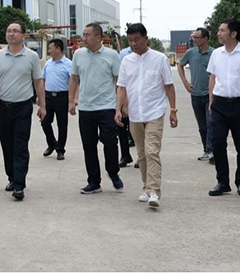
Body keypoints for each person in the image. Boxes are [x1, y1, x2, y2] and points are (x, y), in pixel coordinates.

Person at [115, 23, 178, 208]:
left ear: (146, 38)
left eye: (137, 39)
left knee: (152, 151)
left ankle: (154, 191)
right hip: (135, 114)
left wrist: (173, 110)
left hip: (154, 112)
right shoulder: (126, 61)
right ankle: (146, 187)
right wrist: (118, 109)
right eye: (130, 40)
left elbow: (169, 86)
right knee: (141, 154)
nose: (133, 44)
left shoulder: (159, 59)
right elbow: (121, 87)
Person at [0, 21, 46, 201]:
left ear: (23, 36)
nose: (11, 34)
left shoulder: (31, 57)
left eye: (15, 31)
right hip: (3, 107)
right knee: (7, 145)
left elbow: (38, 82)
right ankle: (12, 177)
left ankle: (19, 184)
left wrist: (42, 106)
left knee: (20, 146)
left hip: (23, 108)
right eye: (9, 31)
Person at [206, 18, 240, 197]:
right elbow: (213, 77)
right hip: (220, 104)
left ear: (233, 33)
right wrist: (211, 99)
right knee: (218, 143)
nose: (218, 33)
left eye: (222, 30)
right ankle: (222, 182)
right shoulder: (216, 54)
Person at [68, 22, 124, 194]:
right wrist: (71, 101)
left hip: (107, 106)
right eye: (83, 35)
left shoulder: (112, 55)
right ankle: (94, 182)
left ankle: (113, 172)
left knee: (110, 142)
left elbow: (119, 81)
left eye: (87, 35)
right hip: (86, 107)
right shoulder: (78, 54)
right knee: (89, 146)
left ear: (98, 37)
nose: (83, 38)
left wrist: (120, 107)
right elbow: (74, 78)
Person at [177, 28, 215, 162]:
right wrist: (185, 82)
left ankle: (211, 151)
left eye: (197, 37)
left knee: (210, 123)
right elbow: (180, 65)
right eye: (194, 37)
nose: (195, 40)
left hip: (211, 95)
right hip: (196, 94)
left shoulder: (214, 53)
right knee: (202, 126)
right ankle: (206, 149)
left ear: (206, 38)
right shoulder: (191, 53)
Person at [41, 38, 72, 160]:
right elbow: (42, 80)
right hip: (48, 96)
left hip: (62, 97)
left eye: (50, 48)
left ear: (58, 49)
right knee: (45, 122)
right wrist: (40, 96)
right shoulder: (48, 63)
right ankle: (52, 143)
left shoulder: (68, 64)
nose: (49, 51)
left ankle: (60, 149)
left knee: (62, 125)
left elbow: (73, 82)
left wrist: (73, 99)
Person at [117, 45, 135, 168]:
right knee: (122, 127)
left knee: (139, 129)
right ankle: (125, 155)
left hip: (139, 97)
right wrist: (122, 103)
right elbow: (119, 80)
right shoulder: (123, 54)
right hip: (124, 95)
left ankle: (142, 157)